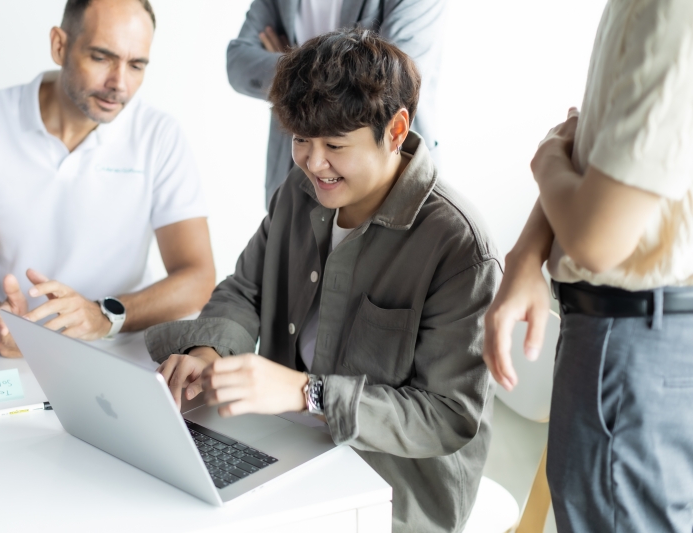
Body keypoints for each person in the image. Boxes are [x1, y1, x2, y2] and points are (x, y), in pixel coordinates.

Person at [148, 30, 501, 532]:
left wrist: (306, 393)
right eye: (300, 140)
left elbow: (447, 416)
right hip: (286, 450)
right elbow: (246, 290)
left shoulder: (458, 245)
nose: (314, 164)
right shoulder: (299, 190)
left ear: (396, 130)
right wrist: (209, 351)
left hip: (391, 495)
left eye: (335, 145)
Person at [483, 2, 693, 531]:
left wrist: (546, 156)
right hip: (637, 335)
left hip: (636, 341)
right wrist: (527, 251)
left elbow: (597, 236)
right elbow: (600, 162)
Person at [0, 0, 215, 357]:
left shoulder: (158, 136)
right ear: (59, 46)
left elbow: (198, 277)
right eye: (101, 58)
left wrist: (104, 316)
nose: (119, 84)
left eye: (136, 65)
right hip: (1, 350)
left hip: (115, 349)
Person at [226, 0, 447, 207]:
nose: (315, 163)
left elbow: (394, 81)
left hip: (384, 180)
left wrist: (291, 66)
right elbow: (237, 63)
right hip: (289, 178)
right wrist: (311, 68)